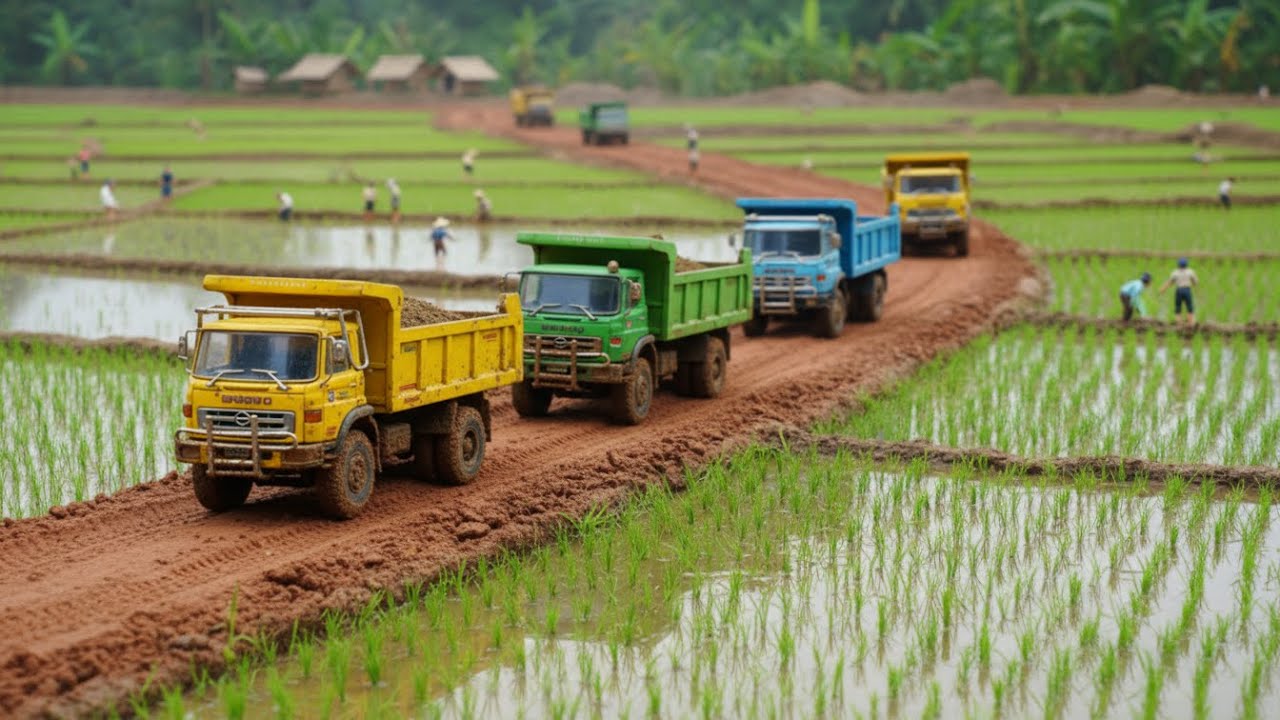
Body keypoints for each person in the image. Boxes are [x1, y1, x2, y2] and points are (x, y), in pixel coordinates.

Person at [1158, 257, 1199, 326]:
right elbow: (1195, 282)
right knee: (1189, 306)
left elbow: (1170, 282)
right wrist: (1195, 287)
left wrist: (1163, 289)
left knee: (1178, 307)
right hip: (1187, 290)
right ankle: (1190, 323)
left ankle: (1179, 323)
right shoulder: (1190, 272)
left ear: (1178, 265)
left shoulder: (1175, 272)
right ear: (1186, 264)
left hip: (1179, 290)